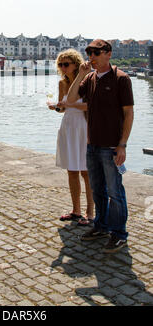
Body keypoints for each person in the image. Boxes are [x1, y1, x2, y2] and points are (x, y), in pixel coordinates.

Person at [67, 39, 134, 253]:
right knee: (98, 190)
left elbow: (128, 113)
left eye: (95, 52)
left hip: (111, 146)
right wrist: (79, 74)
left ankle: (119, 234)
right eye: (89, 52)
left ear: (108, 53)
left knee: (115, 191)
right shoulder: (90, 78)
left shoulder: (121, 78)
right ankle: (102, 226)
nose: (91, 56)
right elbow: (70, 99)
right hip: (92, 145)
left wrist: (122, 144)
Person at [48, 49, 94, 225]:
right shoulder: (62, 83)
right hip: (68, 127)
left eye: (66, 64)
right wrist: (56, 107)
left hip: (84, 127)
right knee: (72, 171)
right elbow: (63, 109)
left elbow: (92, 106)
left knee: (87, 172)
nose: (63, 67)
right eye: (60, 64)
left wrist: (70, 103)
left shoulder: (87, 81)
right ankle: (76, 210)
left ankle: (90, 213)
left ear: (76, 64)